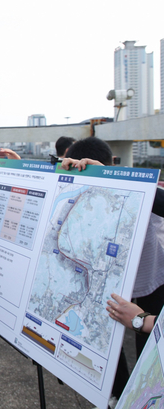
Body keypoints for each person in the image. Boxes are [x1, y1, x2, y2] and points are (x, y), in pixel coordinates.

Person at [62, 136, 164, 408]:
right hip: (112, 284)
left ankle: (145, 396)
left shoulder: (141, 188)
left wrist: (112, 178)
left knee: (151, 347)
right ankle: (118, 396)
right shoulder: (83, 193)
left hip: (152, 280)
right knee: (107, 344)